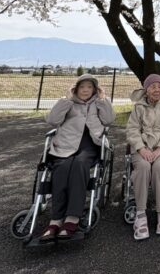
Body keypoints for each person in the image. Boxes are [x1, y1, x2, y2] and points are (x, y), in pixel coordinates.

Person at [39, 74, 115, 241]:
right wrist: (65, 100)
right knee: (62, 168)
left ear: (95, 90)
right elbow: (52, 120)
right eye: (82, 87)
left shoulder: (97, 103)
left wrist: (103, 100)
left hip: (90, 145)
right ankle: (56, 220)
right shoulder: (68, 103)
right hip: (66, 144)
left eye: (89, 87)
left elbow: (109, 120)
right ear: (76, 89)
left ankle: (72, 218)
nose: (86, 90)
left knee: (79, 166)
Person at [126, 73, 160, 241]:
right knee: (143, 166)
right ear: (146, 90)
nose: (157, 90)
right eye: (153, 86)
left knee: (158, 168)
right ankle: (140, 213)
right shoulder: (138, 107)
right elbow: (132, 130)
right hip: (142, 147)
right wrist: (141, 149)